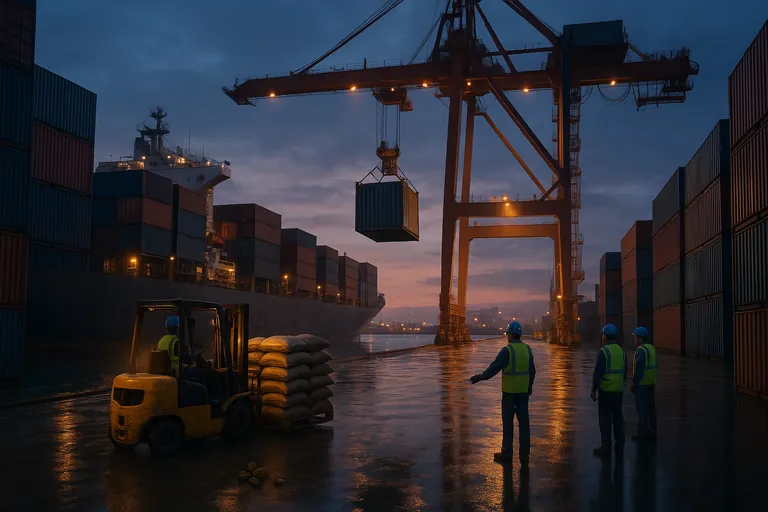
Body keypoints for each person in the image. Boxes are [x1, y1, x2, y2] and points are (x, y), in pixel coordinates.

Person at [469, 321, 536, 465]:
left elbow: (494, 368)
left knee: (508, 424)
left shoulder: (507, 350)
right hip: (523, 393)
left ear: (511, 335)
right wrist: (529, 387)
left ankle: (507, 454)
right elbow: (532, 371)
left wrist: (479, 377)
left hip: (509, 393)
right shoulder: (528, 349)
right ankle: (525, 455)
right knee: (524, 424)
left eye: (508, 334)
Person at [591, 324, 627, 456]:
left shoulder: (603, 352)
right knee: (618, 417)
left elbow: (598, 373)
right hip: (618, 390)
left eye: (603, 335)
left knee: (605, 419)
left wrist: (593, 389)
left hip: (605, 391)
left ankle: (606, 446)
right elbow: (625, 371)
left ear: (605, 337)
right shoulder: (621, 351)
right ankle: (620, 443)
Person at [157, 316, 205, 383]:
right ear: (177, 328)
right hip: (177, 371)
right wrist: (196, 357)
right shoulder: (176, 341)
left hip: (167, 371)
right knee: (200, 374)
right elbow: (186, 359)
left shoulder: (162, 340)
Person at [630, 326, 657, 441]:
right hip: (651, 383)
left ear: (640, 339)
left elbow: (640, 368)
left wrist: (634, 384)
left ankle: (642, 434)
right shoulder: (651, 349)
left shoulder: (641, 350)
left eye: (635, 337)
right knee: (651, 410)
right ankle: (652, 432)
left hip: (642, 385)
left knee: (642, 410)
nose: (634, 340)